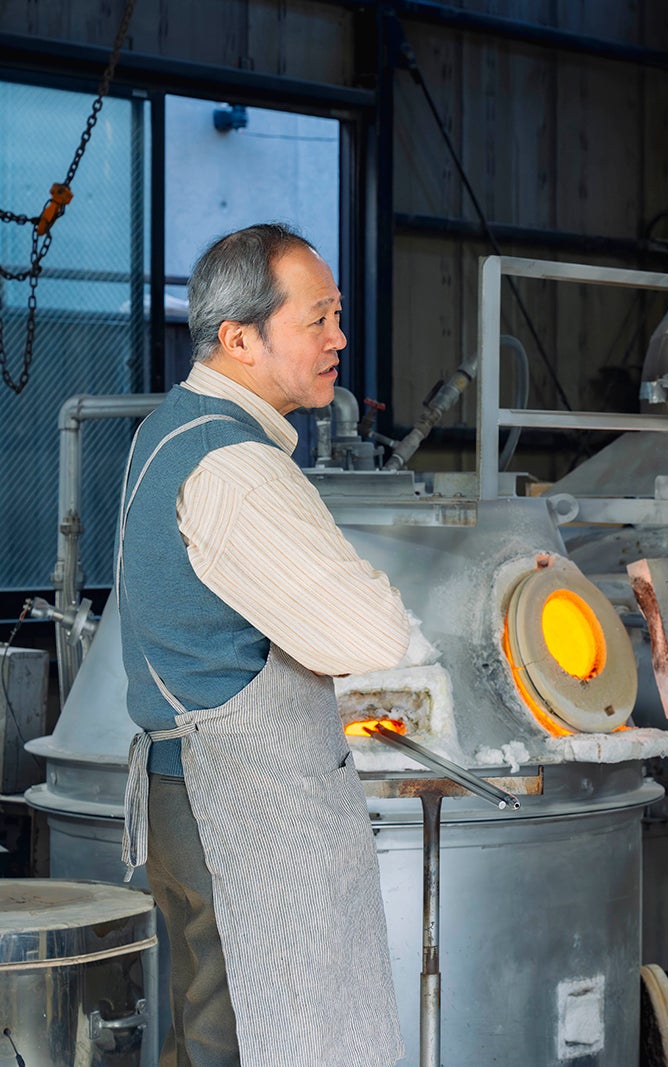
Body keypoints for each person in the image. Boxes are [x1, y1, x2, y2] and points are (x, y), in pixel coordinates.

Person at [118, 223, 413, 1066]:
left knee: (209, 1030)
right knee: (253, 1041)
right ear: (240, 338)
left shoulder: (166, 430)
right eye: (317, 318)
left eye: (339, 315)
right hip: (238, 807)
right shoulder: (236, 466)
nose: (339, 338)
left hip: (190, 793)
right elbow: (370, 630)